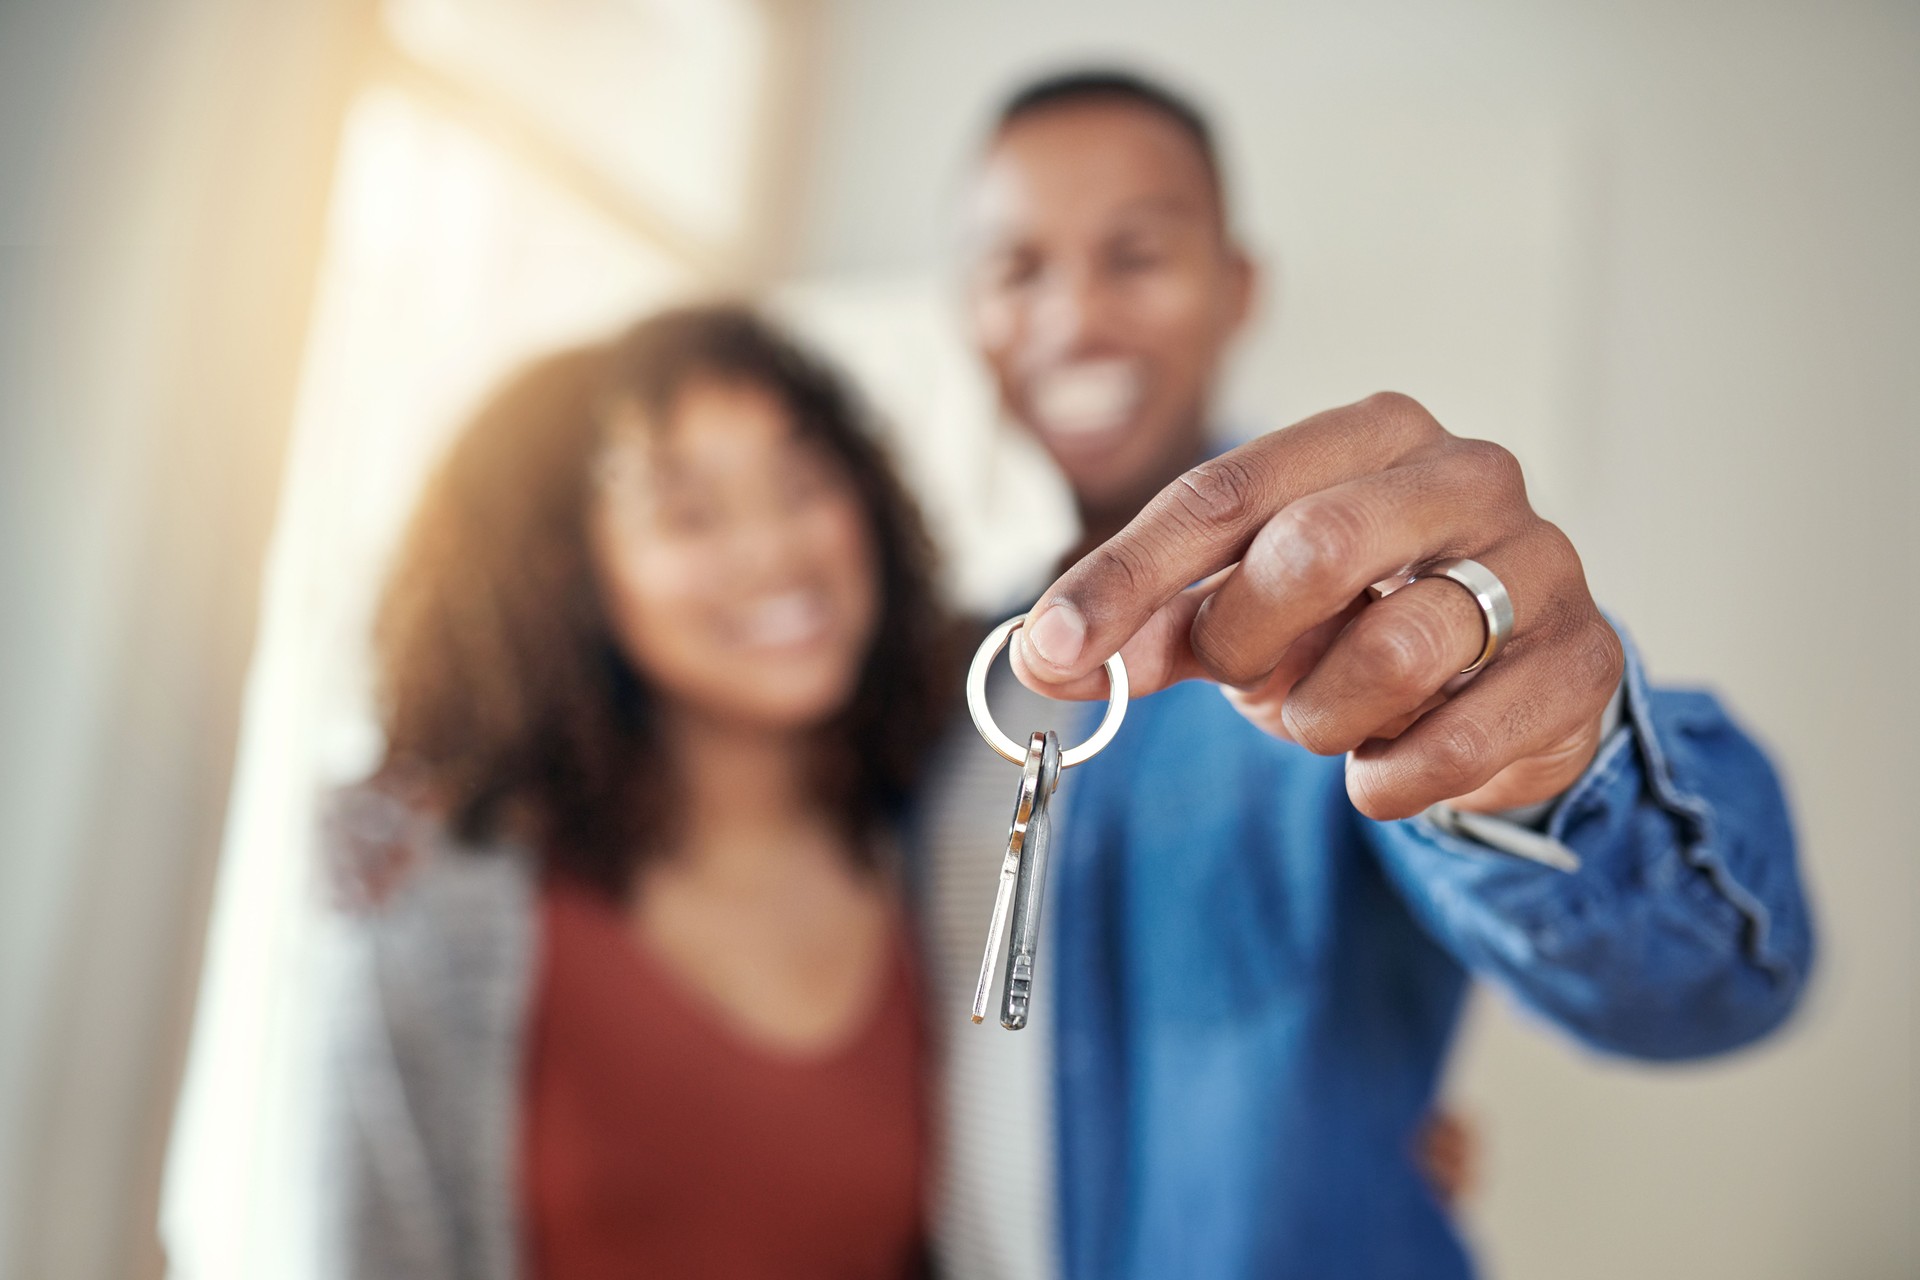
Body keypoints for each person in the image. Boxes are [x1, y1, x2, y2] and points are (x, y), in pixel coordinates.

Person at [916, 69, 1813, 1279]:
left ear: (1237, 289)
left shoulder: (1360, 609)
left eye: (1134, 255)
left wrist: (1545, 762)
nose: (1075, 315)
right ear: (972, 309)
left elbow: (1711, 985)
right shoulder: (923, 677)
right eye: (1019, 268)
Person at [316, 305, 954, 1279]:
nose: (772, 549)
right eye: (690, 513)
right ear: (573, 571)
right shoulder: (443, 905)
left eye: (801, 481)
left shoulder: (945, 833)